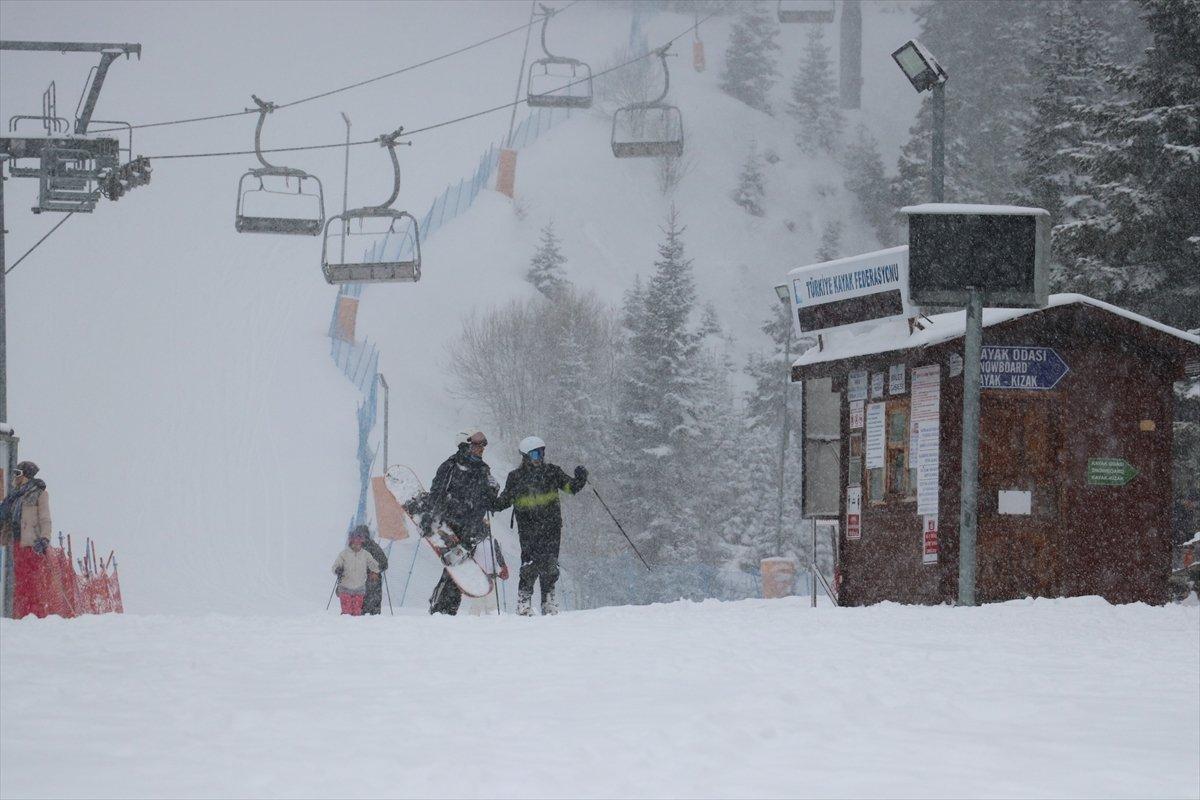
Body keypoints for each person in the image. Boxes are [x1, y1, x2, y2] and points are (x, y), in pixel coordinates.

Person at [406, 428, 500, 615]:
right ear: (465, 446)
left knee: (460, 571)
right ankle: (441, 607)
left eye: (482, 446)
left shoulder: (483, 470)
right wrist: (429, 516)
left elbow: (489, 502)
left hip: (472, 527)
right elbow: (437, 492)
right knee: (454, 567)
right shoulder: (451, 466)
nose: (481, 449)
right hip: (452, 522)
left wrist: (493, 489)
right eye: (477, 446)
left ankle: (446, 608)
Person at [494, 436, 586, 616]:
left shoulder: (552, 471)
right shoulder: (516, 477)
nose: (540, 457)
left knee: (550, 563)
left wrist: (581, 478)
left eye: (541, 453)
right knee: (530, 564)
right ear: (526, 456)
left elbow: (570, 487)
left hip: (551, 526)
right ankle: (524, 600)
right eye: (535, 454)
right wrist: (489, 498)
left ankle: (548, 600)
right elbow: (503, 502)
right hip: (528, 528)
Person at [0, 461, 53, 619]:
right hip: (17, 543)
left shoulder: (38, 493)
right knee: (20, 582)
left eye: (18, 473)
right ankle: (21, 616)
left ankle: (34, 616)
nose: (15, 477)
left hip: (32, 544)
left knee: (31, 582)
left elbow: (45, 519)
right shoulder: (15, 496)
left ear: (26, 476)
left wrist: (44, 538)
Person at [332, 527, 379, 616]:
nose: (357, 545)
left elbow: (374, 565)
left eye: (359, 543)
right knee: (347, 612)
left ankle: (355, 629)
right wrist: (337, 569)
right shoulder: (344, 554)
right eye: (354, 543)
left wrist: (377, 568)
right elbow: (335, 567)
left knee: (357, 613)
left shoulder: (365, 554)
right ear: (351, 543)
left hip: (359, 588)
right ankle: (345, 627)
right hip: (345, 588)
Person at [356, 524, 390, 615]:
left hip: (372, 583)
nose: (360, 537)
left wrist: (374, 571)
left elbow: (384, 563)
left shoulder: (373, 547)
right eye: (358, 535)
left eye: (362, 535)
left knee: (372, 608)